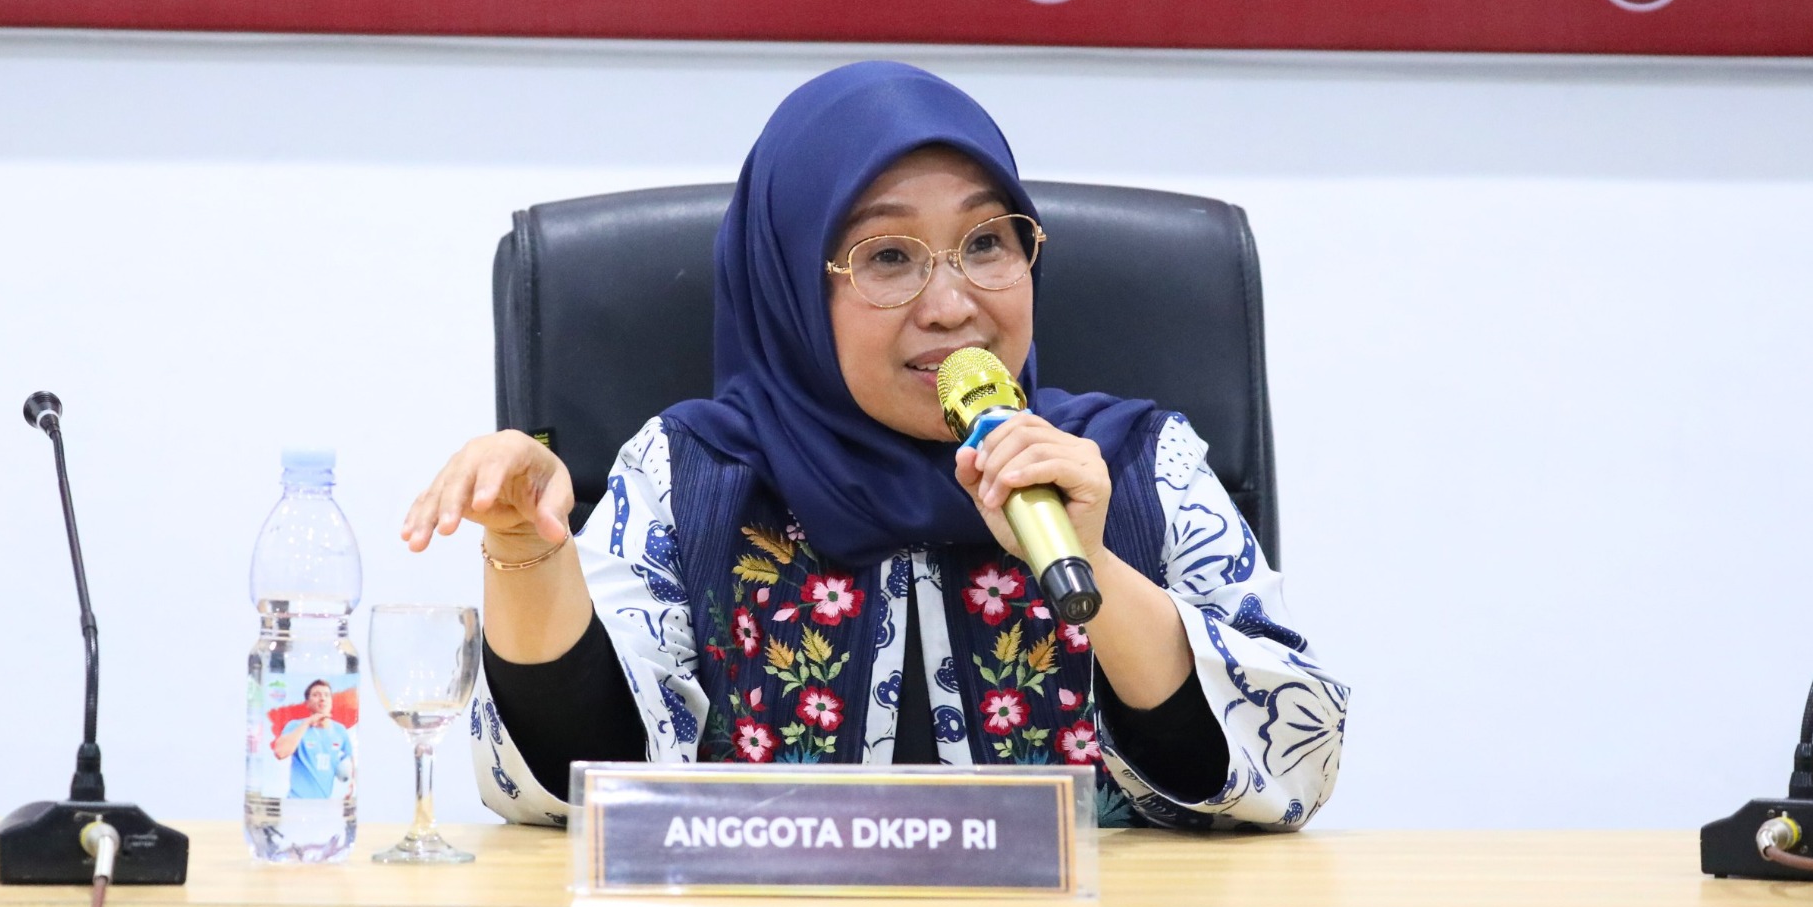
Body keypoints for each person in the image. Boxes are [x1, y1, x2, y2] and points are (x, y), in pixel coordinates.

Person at [401, 61, 1345, 831]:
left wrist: (1091, 561)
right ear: (790, 288)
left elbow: (1293, 770)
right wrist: (525, 550)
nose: (953, 305)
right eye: (889, 257)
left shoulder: (1133, 464)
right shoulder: (695, 478)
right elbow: (574, 791)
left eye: (988, 243)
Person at [272, 679, 352, 800]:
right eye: (316, 695)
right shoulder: (295, 726)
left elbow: (350, 759)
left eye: (327, 695)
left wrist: (351, 785)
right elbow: (280, 753)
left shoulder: (340, 730)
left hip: (325, 804)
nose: (322, 698)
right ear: (307, 703)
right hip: (296, 801)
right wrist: (307, 723)